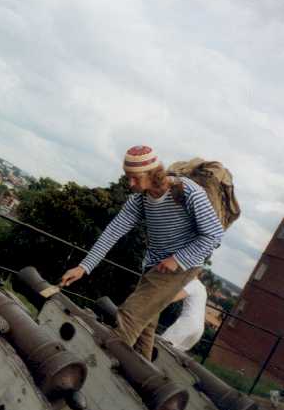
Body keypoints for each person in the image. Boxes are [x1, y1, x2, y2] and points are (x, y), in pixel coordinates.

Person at [60, 145, 223, 359]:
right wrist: (83, 267)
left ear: (154, 173)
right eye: (128, 177)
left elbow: (214, 235)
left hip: (180, 267)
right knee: (145, 329)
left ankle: (97, 365)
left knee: (130, 315)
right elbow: (112, 231)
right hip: (154, 266)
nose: (131, 184)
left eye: (135, 178)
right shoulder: (140, 200)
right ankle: (143, 381)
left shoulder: (189, 192)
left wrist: (177, 259)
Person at [160, 278, 207, 351]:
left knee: (161, 345)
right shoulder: (202, 287)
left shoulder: (192, 284)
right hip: (199, 328)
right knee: (173, 355)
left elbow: (172, 298)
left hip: (187, 323)